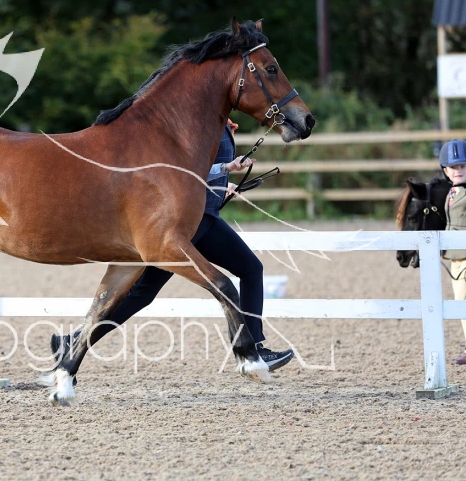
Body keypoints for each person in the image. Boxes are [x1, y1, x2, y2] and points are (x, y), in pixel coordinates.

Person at [52, 119, 294, 373]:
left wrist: (223, 184)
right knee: (141, 293)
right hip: (186, 225)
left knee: (250, 269)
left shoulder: (220, 121)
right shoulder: (199, 122)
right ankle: (75, 342)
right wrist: (226, 168)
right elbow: (183, 170)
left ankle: (255, 348)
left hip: (207, 218)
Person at [439, 139, 466, 365]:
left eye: (463, 166)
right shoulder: (451, 193)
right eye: (454, 167)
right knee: (460, 302)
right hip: (455, 257)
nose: (458, 170)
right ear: (446, 171)